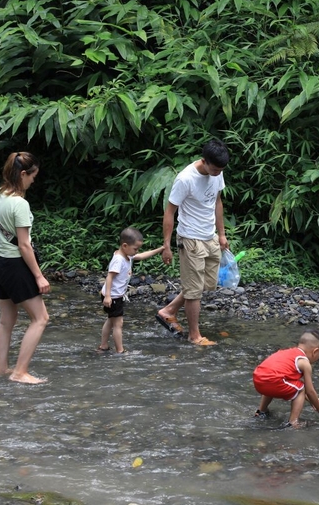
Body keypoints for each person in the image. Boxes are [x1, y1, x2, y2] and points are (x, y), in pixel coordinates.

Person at [157, 139, 230, 346]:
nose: (217, 173)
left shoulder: (218, 172)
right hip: (190, 238)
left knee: (206, 285)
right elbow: (170, 212)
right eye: (215, 169)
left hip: (210, 236)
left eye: (221, 170)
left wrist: (222, 234)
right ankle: (194, 336)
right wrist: (167, 246)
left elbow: (217, 202)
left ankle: (168, 310)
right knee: (194, 291)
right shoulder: (185, 179)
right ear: (204, 161)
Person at [0, 151, 49, 384]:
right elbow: (24, 245)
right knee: (41, 318)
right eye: (33, 176)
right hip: (15, 264)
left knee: (6, 321)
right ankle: (20, 372)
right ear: (23, 174)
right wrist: (39, 276)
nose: (33, 180)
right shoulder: (19, 204)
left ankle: (2, 369)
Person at [96, 227, 164, 354]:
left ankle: (103, 345)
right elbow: (109, 277)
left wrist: (160, 249)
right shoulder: (119, 259)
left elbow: (142, 256)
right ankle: (120, 351)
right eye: (135, 249)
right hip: (113, 296)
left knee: (111, 321)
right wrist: (108, 297)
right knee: (118, 324)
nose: (136, 252)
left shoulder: (127, 255)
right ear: (125, 245)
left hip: (114, 295)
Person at [252, 330, 319, 428]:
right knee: (301, 388)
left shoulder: (286, 352)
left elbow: (289, 383)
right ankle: (293, 422)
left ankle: (261, 411)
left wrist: (313, 401)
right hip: (274, 382)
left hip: (258, 378)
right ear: (315, 351)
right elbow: (309, 391)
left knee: (275, 378)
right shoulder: (304, 362)